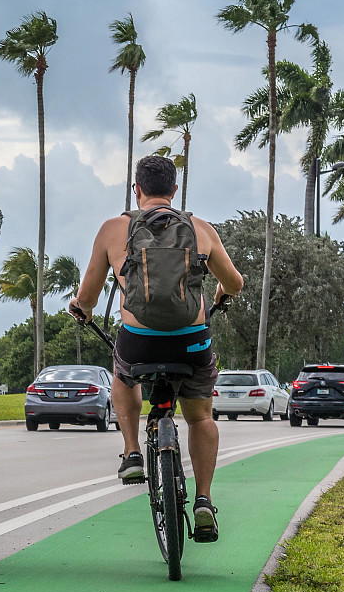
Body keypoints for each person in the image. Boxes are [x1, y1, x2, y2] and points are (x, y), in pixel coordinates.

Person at [68, 154, 244, 541]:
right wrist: (221, 293)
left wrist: (82, 308)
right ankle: (203, 499)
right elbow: (235, 282)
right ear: (174, 190)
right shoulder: (200, 228)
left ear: (137, 189)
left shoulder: (114, 229)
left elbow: (88, 296)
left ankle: (132, 451)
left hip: (140, 342)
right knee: (200, 418)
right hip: (191, 342)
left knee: (121, 371)